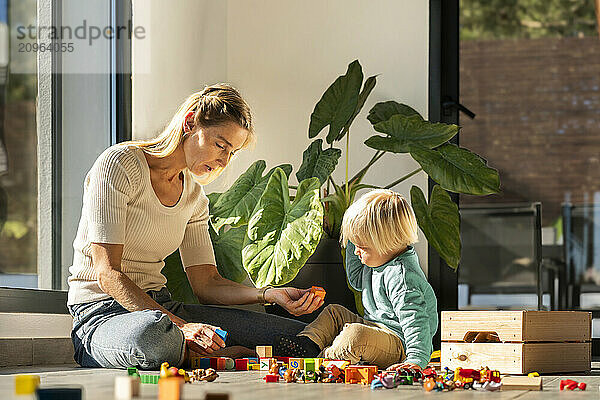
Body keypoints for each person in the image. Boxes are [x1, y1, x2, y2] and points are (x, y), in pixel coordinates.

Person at [67, 84, 323, 370]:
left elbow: (207, 283)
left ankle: (205, 353)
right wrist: (182, 328)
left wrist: (268, 293)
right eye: (221, 145)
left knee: (293, 334)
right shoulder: (120, 164)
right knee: (152, 338)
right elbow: (107, 273)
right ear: (190, 122)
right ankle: (202, 353)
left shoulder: (194, 196)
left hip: (165, 309)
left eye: (232, 152)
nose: (224, 160)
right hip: (103, 315)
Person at [273, 189, 438, 370]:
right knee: (334, 312)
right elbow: (356, 279)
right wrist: (353, 236)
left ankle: (319, 360)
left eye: (362, 246)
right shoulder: (379, 259)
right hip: (376, 331)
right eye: (355, 244)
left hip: (400, 345)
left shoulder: (402, 277)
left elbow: (416, 321)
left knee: (355, 335)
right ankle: (306, 345)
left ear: (386, 243)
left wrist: (415, 361)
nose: (356, 251)